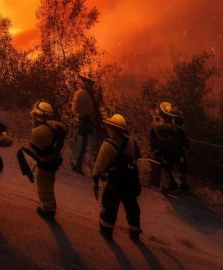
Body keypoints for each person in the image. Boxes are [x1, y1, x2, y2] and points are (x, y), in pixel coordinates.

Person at [92, 113, 143, 241]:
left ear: (113, 129)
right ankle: (135, 231)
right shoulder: (130, 142)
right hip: (129, 180)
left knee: (110, 205)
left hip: (115, 181)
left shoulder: (108, 145)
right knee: (131, 206)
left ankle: (107, 230)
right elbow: (134, 159)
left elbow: (100, 165)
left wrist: (95, 179)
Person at [23, 101, 68, 219]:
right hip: (53, 162)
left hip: (45, 163)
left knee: (44, 187)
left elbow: (34, 148)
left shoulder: (40, 131)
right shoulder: (55, 128)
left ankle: (48, 209)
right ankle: (49, 206)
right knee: (49, 184)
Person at [149, 101, 190, 193]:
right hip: (175, 156)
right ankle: (179, 182)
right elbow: (185, 147)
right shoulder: (179, 130)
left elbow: (153, 144)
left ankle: (160, 184)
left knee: (157, 160)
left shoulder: (157, 127)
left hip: (163, 155)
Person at [70, 74, 100, 173]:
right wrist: (95, 126)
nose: (91, 87)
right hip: (83, 124)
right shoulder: (85, 94)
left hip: (77, 123)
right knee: (81, 143)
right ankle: (76, 164)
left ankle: (75, 162)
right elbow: (90, 112)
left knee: (79, 142)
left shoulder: (79, 92)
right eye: (90, 84)